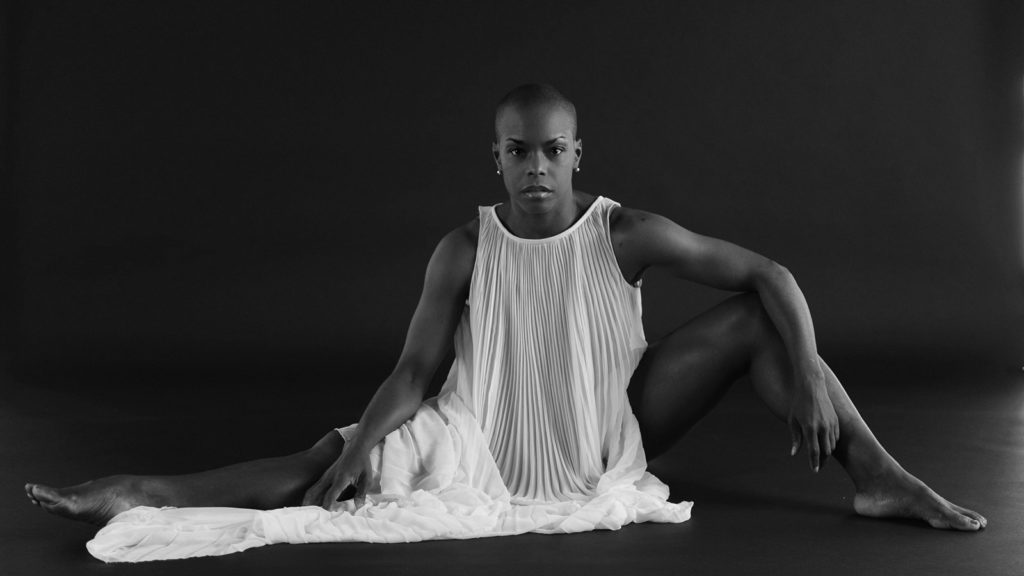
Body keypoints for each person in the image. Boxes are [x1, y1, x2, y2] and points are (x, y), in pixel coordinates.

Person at [25, 83, 986, 562]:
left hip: (612, 420)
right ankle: (147, 487)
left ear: (577, 155)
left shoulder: (628, 232)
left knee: (755, 321)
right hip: (484, 428)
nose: (537, 166)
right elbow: (413, 370)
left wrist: (811, 371)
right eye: (518, 151)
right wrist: (365, 437)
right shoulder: (463, 248)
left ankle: (880, 479)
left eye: (553, 151)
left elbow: (770, 274)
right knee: (335, 462)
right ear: (496, 160)